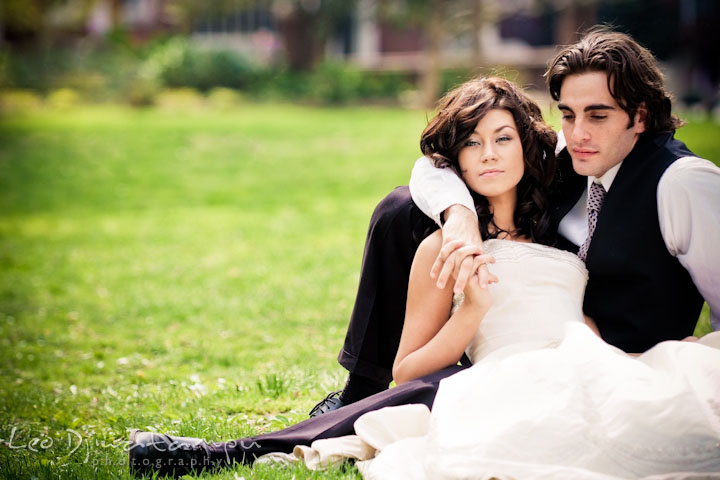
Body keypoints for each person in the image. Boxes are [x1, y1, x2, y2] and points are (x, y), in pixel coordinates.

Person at [128, 76, 567, 476]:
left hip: (565, 377)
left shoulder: (563, 226)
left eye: (503, 139)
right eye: (471, 144)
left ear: (525, 145)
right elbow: (408, 371)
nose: (489, 153)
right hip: (475, 378)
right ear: (455, 161)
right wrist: (471, 307)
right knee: (437, 387)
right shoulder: (443, 246)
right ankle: (221, 454)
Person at [311, 25, 720, 416]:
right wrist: (459, 216)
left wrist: (692, 363)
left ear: (641, 116)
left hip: (622, 360)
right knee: (401, 209)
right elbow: (434, 165)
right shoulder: (574, 153)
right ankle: (362, 390)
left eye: (597, 115)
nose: (577, 134)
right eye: (568, 114)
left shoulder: (683, 183)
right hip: (519, 335)